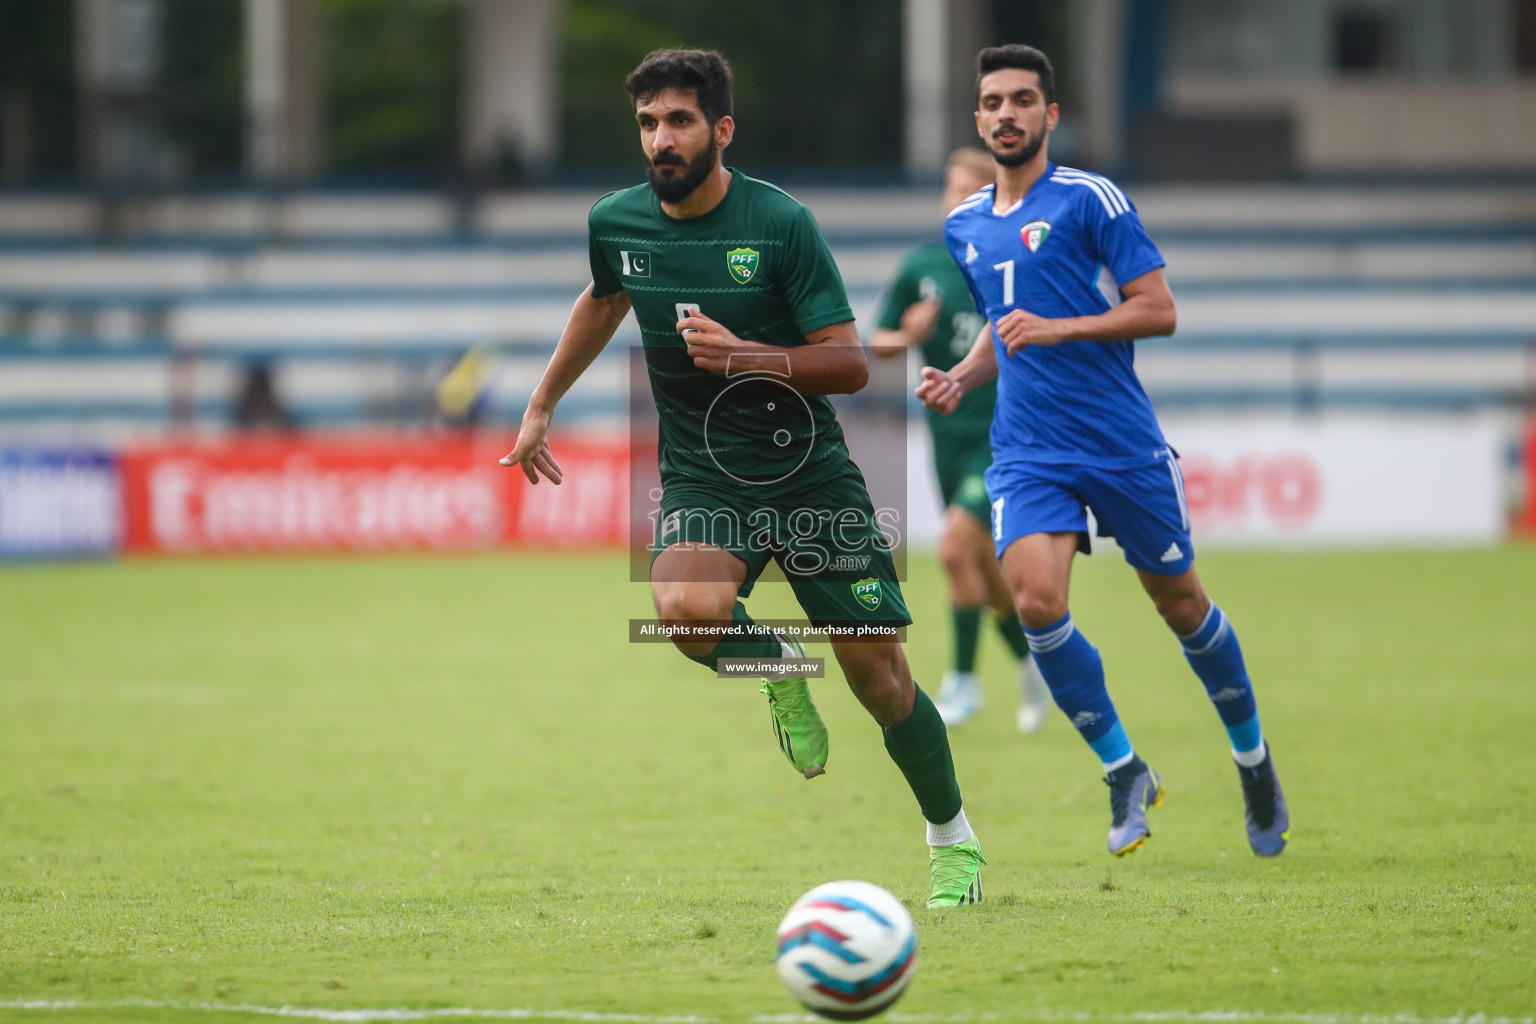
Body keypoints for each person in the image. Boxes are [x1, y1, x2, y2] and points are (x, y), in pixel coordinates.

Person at [501, 49, 984, 905]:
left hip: (811, 480)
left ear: (720, 130)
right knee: (684, 614)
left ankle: (953, 839)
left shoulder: (781, 223)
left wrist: (746, 357)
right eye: (648, 122)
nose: (661, 138)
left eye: (679, 120)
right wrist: (541, 403)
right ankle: (781, 669)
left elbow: (850, 365)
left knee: (880, 679)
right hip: (704, 475)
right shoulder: (616, 220)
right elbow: (604, 296)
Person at [917, 44, 1289, 858]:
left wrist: (1061, 329)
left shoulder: (1093, 199)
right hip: (1026, 449)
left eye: (1022, 100)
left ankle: (1253, 760)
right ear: (977, 119)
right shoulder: (963, 223)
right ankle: (1123, 769)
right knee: (1039, 603)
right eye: (992, 102)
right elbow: (1003, 323)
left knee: (1182, 609)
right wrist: (965, 375)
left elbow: (1158, 310)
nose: (1006, 114)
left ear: (1050, 116)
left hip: (1119, 444)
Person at [871, 147, 1050, 733]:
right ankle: (1031, 665)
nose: (956, 199)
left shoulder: (1008, 264)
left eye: (970, 190)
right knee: (981, 567)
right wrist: (907, 332)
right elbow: (876, 347)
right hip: (946, 439)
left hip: (1005, 437)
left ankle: (964, 684)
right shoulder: (920, 267)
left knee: (951, 548)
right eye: (951, 188)